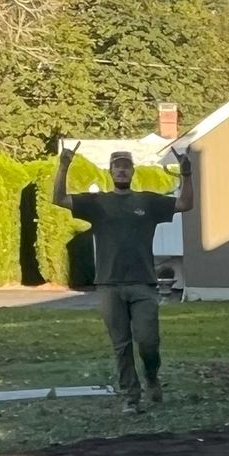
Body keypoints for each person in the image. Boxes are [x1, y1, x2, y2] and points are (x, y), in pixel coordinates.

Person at [53, 141, 195, 411]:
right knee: (121, 345)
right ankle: (131, 397)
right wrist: (63, 166)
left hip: (143, 284)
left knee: (148, 341)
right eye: (117, 166)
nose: (121, 171)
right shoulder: (98, 203)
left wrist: (187, 174)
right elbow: (59, 199)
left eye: (126, 166)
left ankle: (151, 377)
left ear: (132, 172)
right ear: (110, 171)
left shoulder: (148, 202)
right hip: (108, 285)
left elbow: (186, 203)